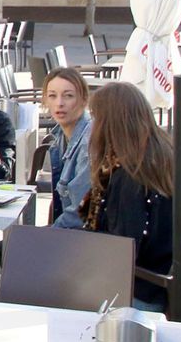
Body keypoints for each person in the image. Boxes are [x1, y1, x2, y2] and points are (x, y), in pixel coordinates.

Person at [79, 82, 174, 312]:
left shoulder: (129, 176)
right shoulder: (158, 156)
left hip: (135, 292)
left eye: (95, 118)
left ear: (109, 124)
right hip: (152, 281)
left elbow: (121, 249)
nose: (92, 126)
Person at [42, 67, 94, 229]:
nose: (59, 103)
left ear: (84, 100)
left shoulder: (88, 142)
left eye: (68, 96)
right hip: (71, 231)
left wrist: (49, 234)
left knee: (11, 246)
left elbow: (80, 212)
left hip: (86, 238)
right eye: (52, 96)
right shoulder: (59, 136)